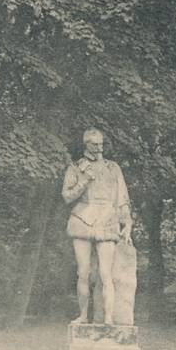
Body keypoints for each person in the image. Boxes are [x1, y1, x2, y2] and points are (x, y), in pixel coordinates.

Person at [61, 128, 132, 325]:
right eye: (95, 144)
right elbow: (67, 196)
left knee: (105, 274)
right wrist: (83, 181)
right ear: (86, 145)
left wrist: (127, 223)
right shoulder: (76, 167)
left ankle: (108, 318)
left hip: (107, 219)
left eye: (101, 144)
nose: (99, 148)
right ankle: (83, 316)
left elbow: (122, 198)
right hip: (82, 218)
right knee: (83, 272)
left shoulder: (113, 168)